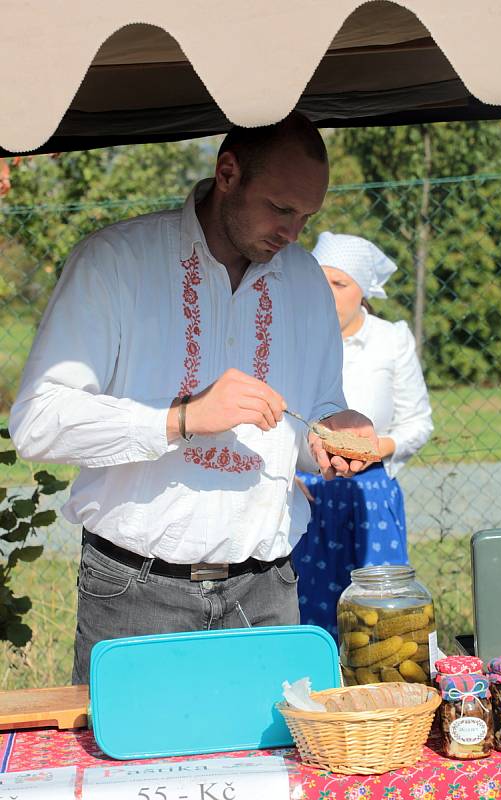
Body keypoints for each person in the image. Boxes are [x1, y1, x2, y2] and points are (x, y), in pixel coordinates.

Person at [9, 114, 378, 685]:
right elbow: (37, 421)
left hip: (267, 591)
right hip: (135, 593)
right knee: (128, 772)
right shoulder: (117, 261)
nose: (293, 234)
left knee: (271, 774)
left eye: (308, 217)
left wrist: (334, 433)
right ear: (227, 173)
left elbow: (313, 418)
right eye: (281, 209)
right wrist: (180, 419)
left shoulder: (304, 279)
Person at [293, 232, 433, 636]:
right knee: (308, 608)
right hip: (306, 492)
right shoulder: (293, 339)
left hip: (369, 495)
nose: (327, 294)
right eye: (319, 282)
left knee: (378, 618)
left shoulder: (390, 341)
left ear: (363, 291)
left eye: (340, 284)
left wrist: (375, 449)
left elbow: (418, 423)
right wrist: (287, 473)